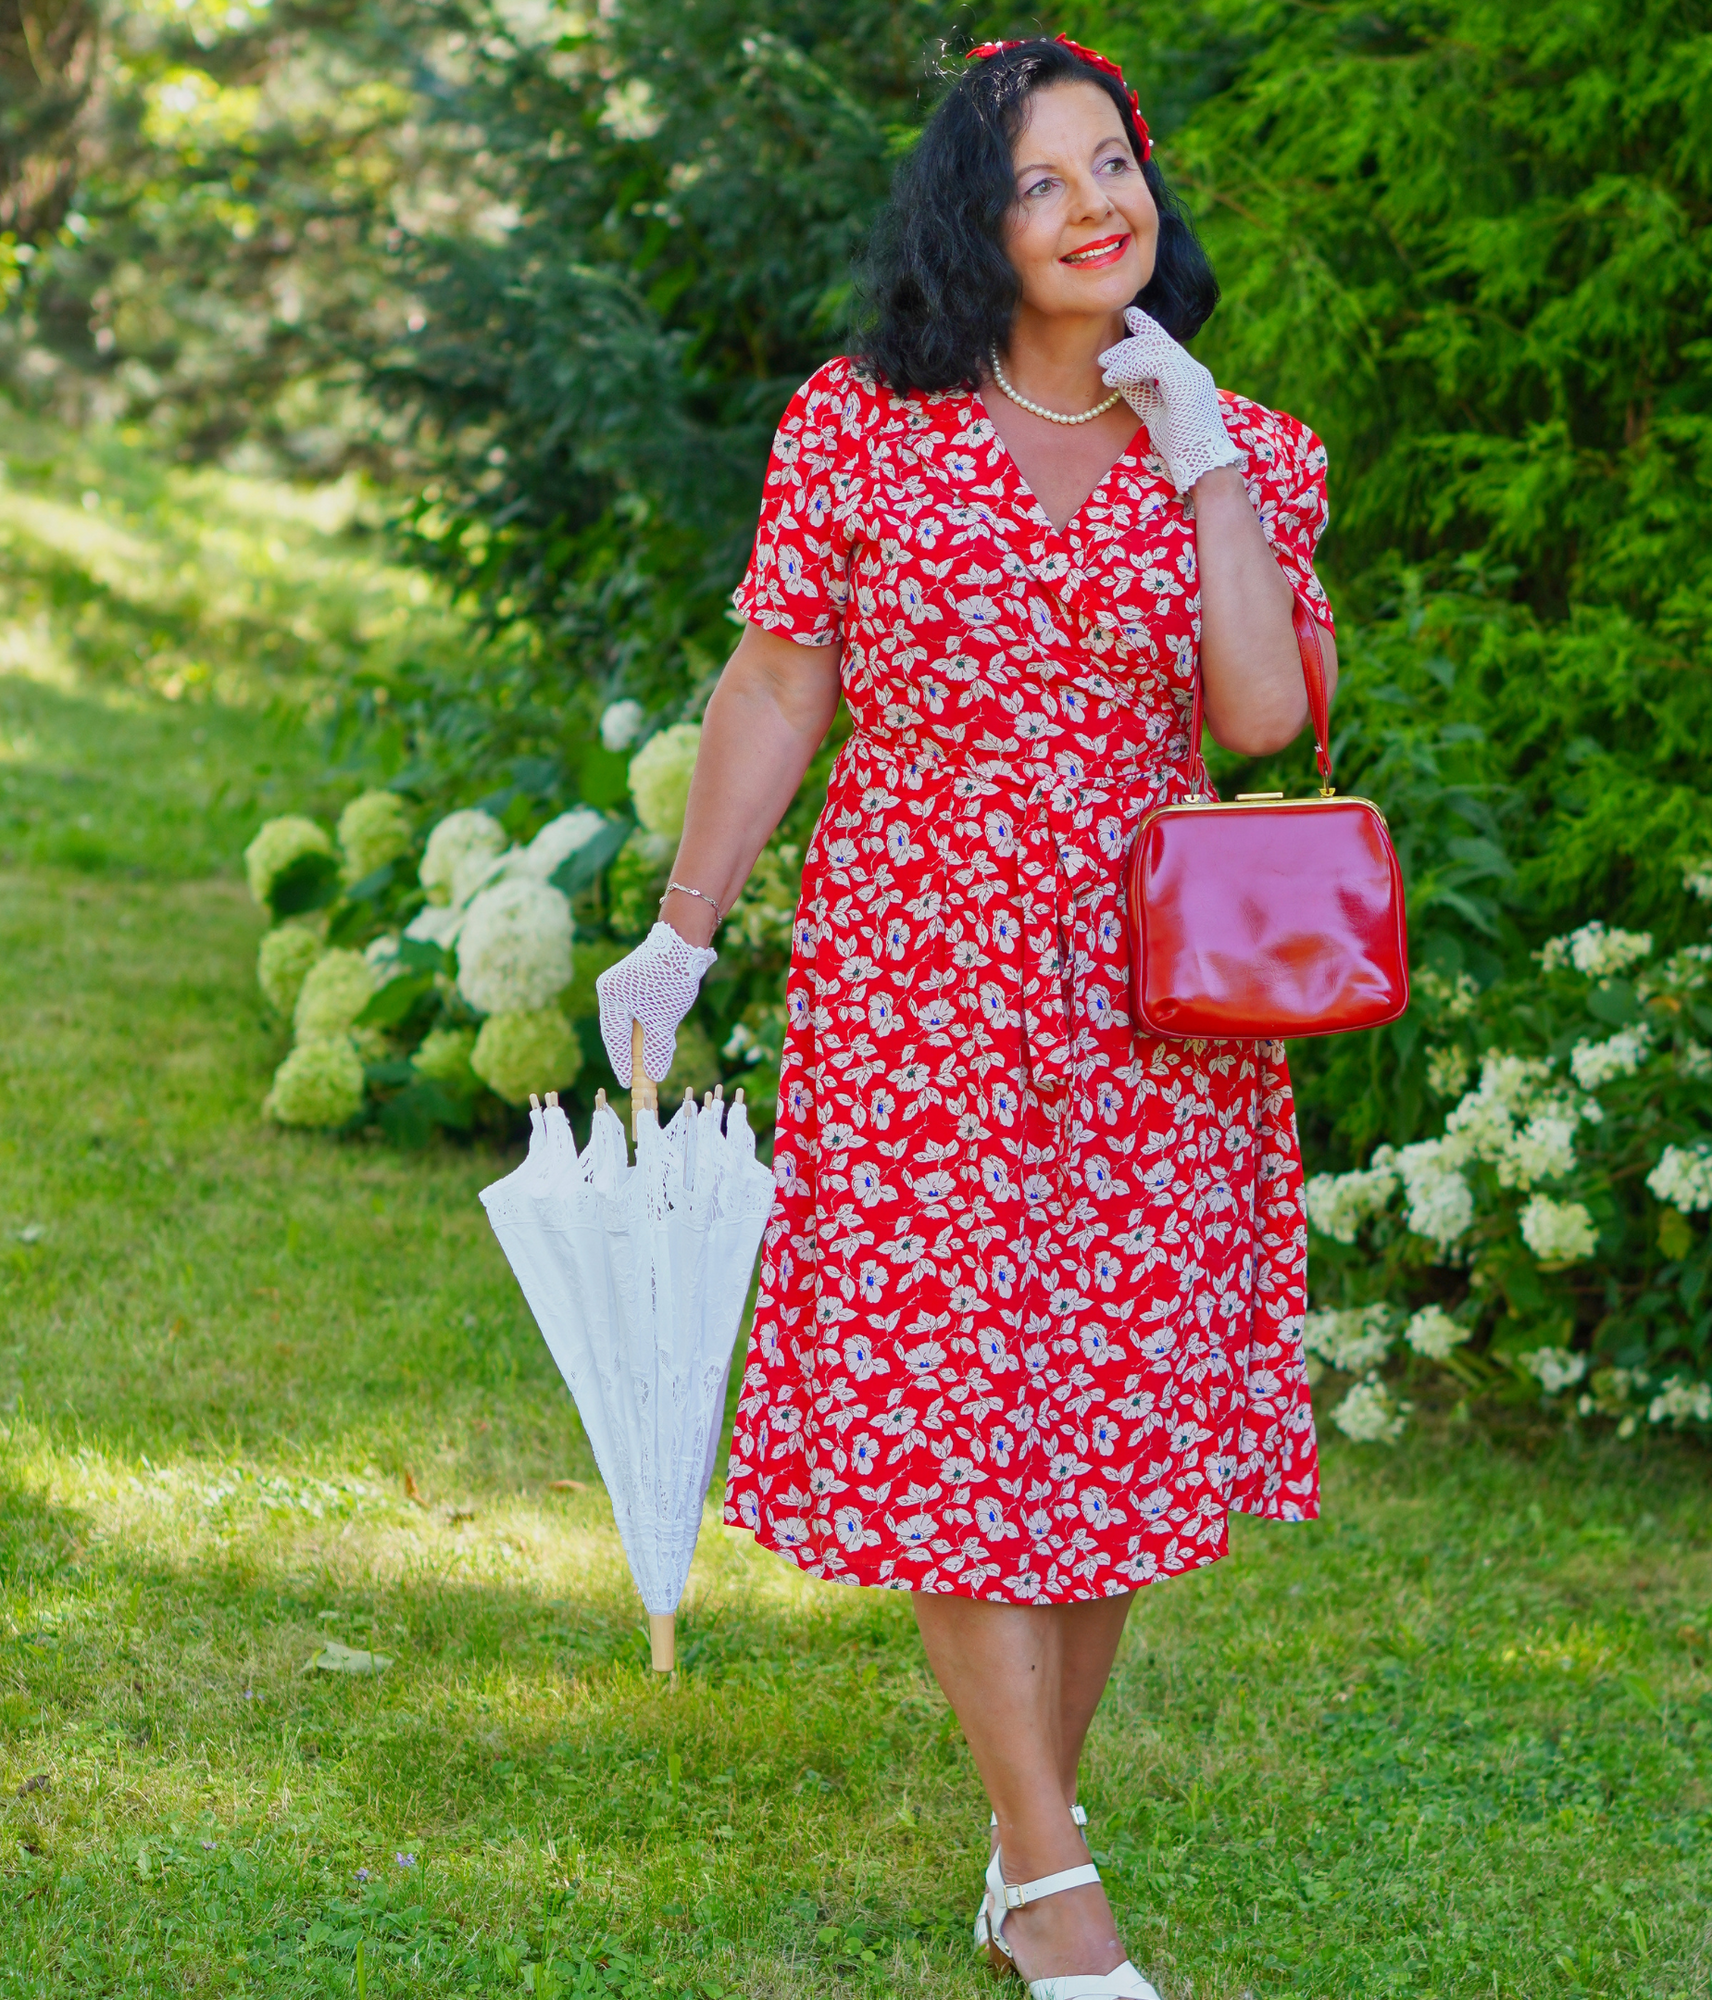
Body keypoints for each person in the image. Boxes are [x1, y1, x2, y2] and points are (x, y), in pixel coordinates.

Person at [596, 34, 1332, 2000]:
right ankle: (1052, 1880)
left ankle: (1028, 1852)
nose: (1099, 207)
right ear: (974, 222)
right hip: (916, 968)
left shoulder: (1243, 445)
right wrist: (680, 931)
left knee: (1099, 1421)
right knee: (950, 1399)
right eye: (1044, 181)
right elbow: (779, 682)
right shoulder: (861, 425)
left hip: (1151, 994)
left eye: (1117, 167)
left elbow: (1258, 719)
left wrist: (1194, 455)